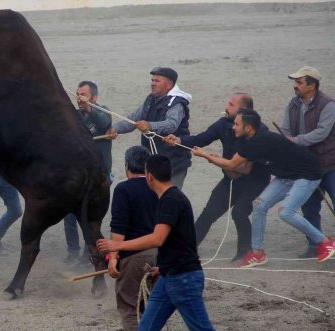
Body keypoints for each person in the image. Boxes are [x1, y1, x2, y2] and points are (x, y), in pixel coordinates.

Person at [192, 109, 335, 267]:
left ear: (248, 128)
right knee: (259, 205)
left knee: (286, 212)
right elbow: (243, 168)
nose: (233, 127)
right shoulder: (250, 141)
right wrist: (215, 158)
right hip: (286, 176)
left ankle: (325, 242)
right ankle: (257, 253)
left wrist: (205, 156)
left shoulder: (258, 141)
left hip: (308, 174)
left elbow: (232, 164)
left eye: (237, 124)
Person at [97, 155, 219, 331]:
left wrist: (117, 246)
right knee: (146, 330)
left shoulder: (171, 200)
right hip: (168, 276)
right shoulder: (168, 198)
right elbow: (179, 241)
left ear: (149, 176)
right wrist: (162, 267)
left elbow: (157, 239)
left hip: (183, 278)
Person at [163, 93, 271, 261]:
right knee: (209, 213)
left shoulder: (260, 132)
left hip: (255, 181)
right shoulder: (225, 124)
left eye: (231, 105)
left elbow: (245, 169)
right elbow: (201, 139)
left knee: (240, 212)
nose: (226, 107)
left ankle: (245, 251)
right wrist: (178, 140)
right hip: (231, 177)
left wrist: (214, 159)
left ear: (244, 111)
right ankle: (187, 247)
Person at [279, 66, 335, 258]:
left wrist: (295, 141)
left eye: (299, 82)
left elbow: (321, 133)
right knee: (309, 207)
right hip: (307, 166)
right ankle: (315, 246)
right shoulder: (293, 103)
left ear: (312, 85)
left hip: (329, 164)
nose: (295, 86)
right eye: (295, 82)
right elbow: (285, 129)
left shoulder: (328, 104)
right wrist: (287, 139)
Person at [108, 67, 192, 189]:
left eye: (157, 81)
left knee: (169, 198)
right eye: (152, 80)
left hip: (174, 163)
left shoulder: (177, 103)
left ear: (169, 85)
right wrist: (116, 129)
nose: (152, 83)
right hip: (153, 161)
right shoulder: (151, 99)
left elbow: (171, 125)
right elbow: (133, 119)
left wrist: (150, 126)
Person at [106, 146, 157, 331]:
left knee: (129, 307)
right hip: (159, 255)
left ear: (127, 166)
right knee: (150, 305)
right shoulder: (159, 187)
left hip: (134, 257)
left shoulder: (123, 189)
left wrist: (113, 257)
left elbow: (118, 226)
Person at [63, 80, 112, 264]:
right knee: (68, 215)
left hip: (100, 178)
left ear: (94, 97)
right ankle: (72, 251)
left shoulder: (103, 112)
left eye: (83, 94)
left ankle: (87, 255)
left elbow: (104, 122)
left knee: (92, 218)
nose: (79, 98)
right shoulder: (75, 116)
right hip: (78, 176)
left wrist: (90, 109)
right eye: (78, 94)